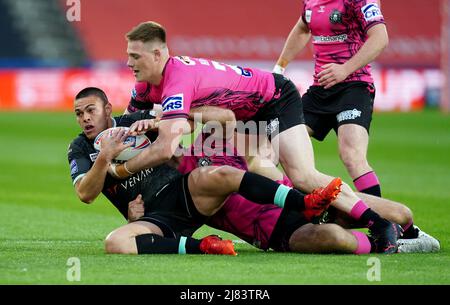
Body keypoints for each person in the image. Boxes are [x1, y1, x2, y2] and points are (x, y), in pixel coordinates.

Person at [112, 21, 401, 253]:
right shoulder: (146, 88)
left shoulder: (177, 81)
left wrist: (120, 169)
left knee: (302, 175)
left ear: (158, 54)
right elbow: (132, 127)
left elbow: (166, 147)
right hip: (243, 116)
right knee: (260, 169)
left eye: (135, 56)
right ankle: (388, 224)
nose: (128, 63)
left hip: (274, 99)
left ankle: (378, 224)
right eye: (128, 55)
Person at [68, 87, 342, 256]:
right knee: (115, 243)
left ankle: (304, 202)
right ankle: (204, 246)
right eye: (79, 114)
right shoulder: (80, 148)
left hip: (183, 191)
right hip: (155, 215)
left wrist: (158, 123)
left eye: (90, 110)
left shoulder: (135, 122)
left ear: (106, 108)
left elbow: (200, 123)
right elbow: (85, 193)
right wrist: (104, 157)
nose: (85, 119)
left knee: (221, 174)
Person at [272, 1, 423, 239]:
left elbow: (379, 37)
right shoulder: (311, 1)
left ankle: (384, 223)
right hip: (320, 90)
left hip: (354, 87)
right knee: (279, 142)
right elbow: (303, 27)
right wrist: (279, 68)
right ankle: (271, 213)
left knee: (351, 154)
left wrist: (345, 69)